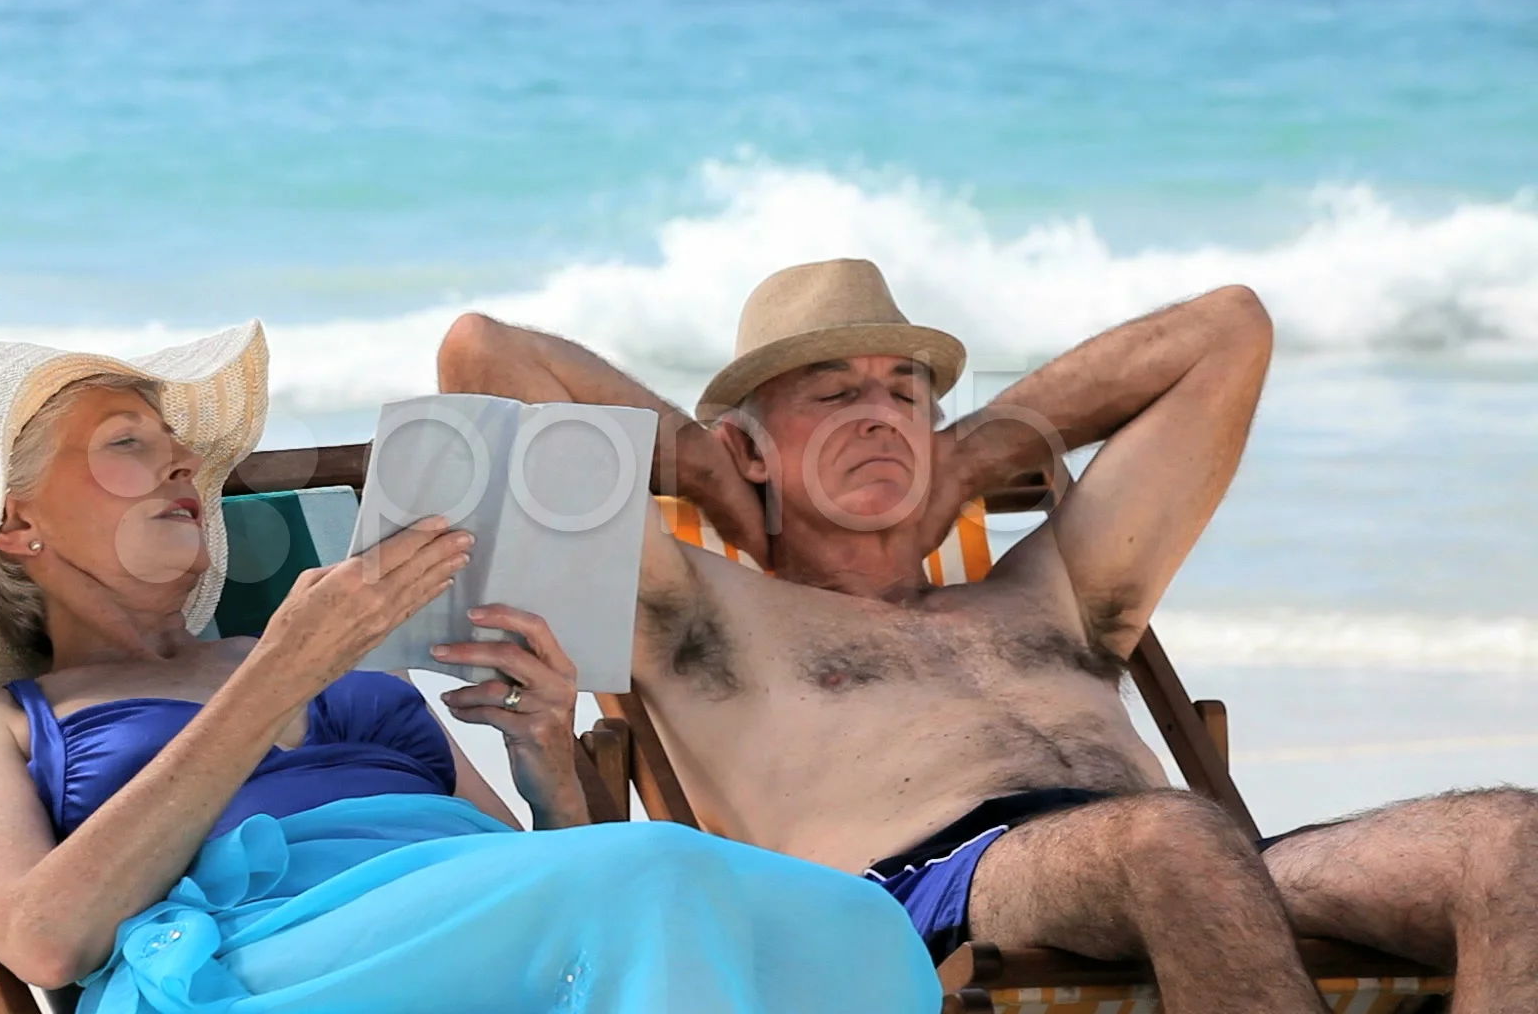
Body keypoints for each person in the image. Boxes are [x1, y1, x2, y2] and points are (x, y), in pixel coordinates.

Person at [438, 259, 1538, 1014]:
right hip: (926, 895)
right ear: (751, 445)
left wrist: (965, 461)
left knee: (1506, 839)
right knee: (1177, 841)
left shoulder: (1053, 588)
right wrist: (707, 475)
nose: (880, 413)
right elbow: (483, 357)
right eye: (832, 395)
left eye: (905, 394)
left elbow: (1229, 328)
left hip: (1199, 876)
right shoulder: (700, 614)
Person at [0, 321, 939, 1014]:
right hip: (258, 961)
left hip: (442, 925)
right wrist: (277, 679)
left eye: (177, 444)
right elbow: (43, 943)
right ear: (18, 524)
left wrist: (546, 769)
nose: (180, 463)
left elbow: (534, 882)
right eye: (128, 444)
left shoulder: (345, 664)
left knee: (852, 922)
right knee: (660, 865)